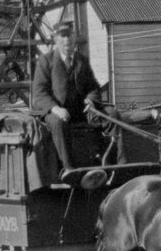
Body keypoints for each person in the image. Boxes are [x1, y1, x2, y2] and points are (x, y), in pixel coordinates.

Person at [30, 21, 109, 179]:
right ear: (55, 39)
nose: (67, 40)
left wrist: (91, 100)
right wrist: (55, 109)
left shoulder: (82, 61)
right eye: (63, 36)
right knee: (58, 122)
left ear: (74, 37)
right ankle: (69, 169)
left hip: (80, 111)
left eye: (70, 35)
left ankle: (118, 164)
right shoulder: (46, 61)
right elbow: (39, 93)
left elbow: (93, 87)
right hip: (54, 113)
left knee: (111, 114)